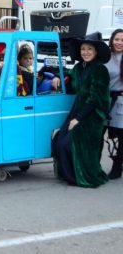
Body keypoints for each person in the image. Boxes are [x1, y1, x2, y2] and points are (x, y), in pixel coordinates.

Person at [52, 32, 110, 188]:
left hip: (92, 115)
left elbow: (95, 99)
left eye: (89, 49)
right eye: (83, 49)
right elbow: (70, 82)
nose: (86, 52)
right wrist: (58, 77)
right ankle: (69, 175)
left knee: (72, 141)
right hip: (78, 110)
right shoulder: (79, 67)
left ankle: (83, 176)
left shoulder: (100, 70)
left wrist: (78, 120)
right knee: (60, 140)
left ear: (96, 51)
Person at [105, 29, 123, 179]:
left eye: (122, 40)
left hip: (121, 102)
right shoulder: (105, 56)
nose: (119, 42)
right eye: (117, 39)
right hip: (105, 101)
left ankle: (117, 166)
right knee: (99, 135)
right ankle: (93, 166)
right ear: (111, 40)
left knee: (122, 137)